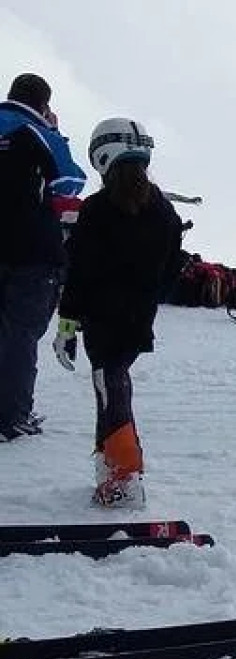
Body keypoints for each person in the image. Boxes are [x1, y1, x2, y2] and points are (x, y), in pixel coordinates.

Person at [53, 117, 181, 508]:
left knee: (110, 386)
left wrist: (67, 322)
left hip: (103, 320)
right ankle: (112, 468)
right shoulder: (163, 211)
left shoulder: (98, 210)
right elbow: (172, 268)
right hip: (137, 320)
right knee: (111, 382)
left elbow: (80, 271)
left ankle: (124, 477)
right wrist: (146, 299)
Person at [1, 72, 85, 442]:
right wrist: (55, 133)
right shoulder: (36, 131)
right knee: (20, 334)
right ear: (43, 103)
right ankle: (11, 417)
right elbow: (69, 181)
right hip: (31, 251)